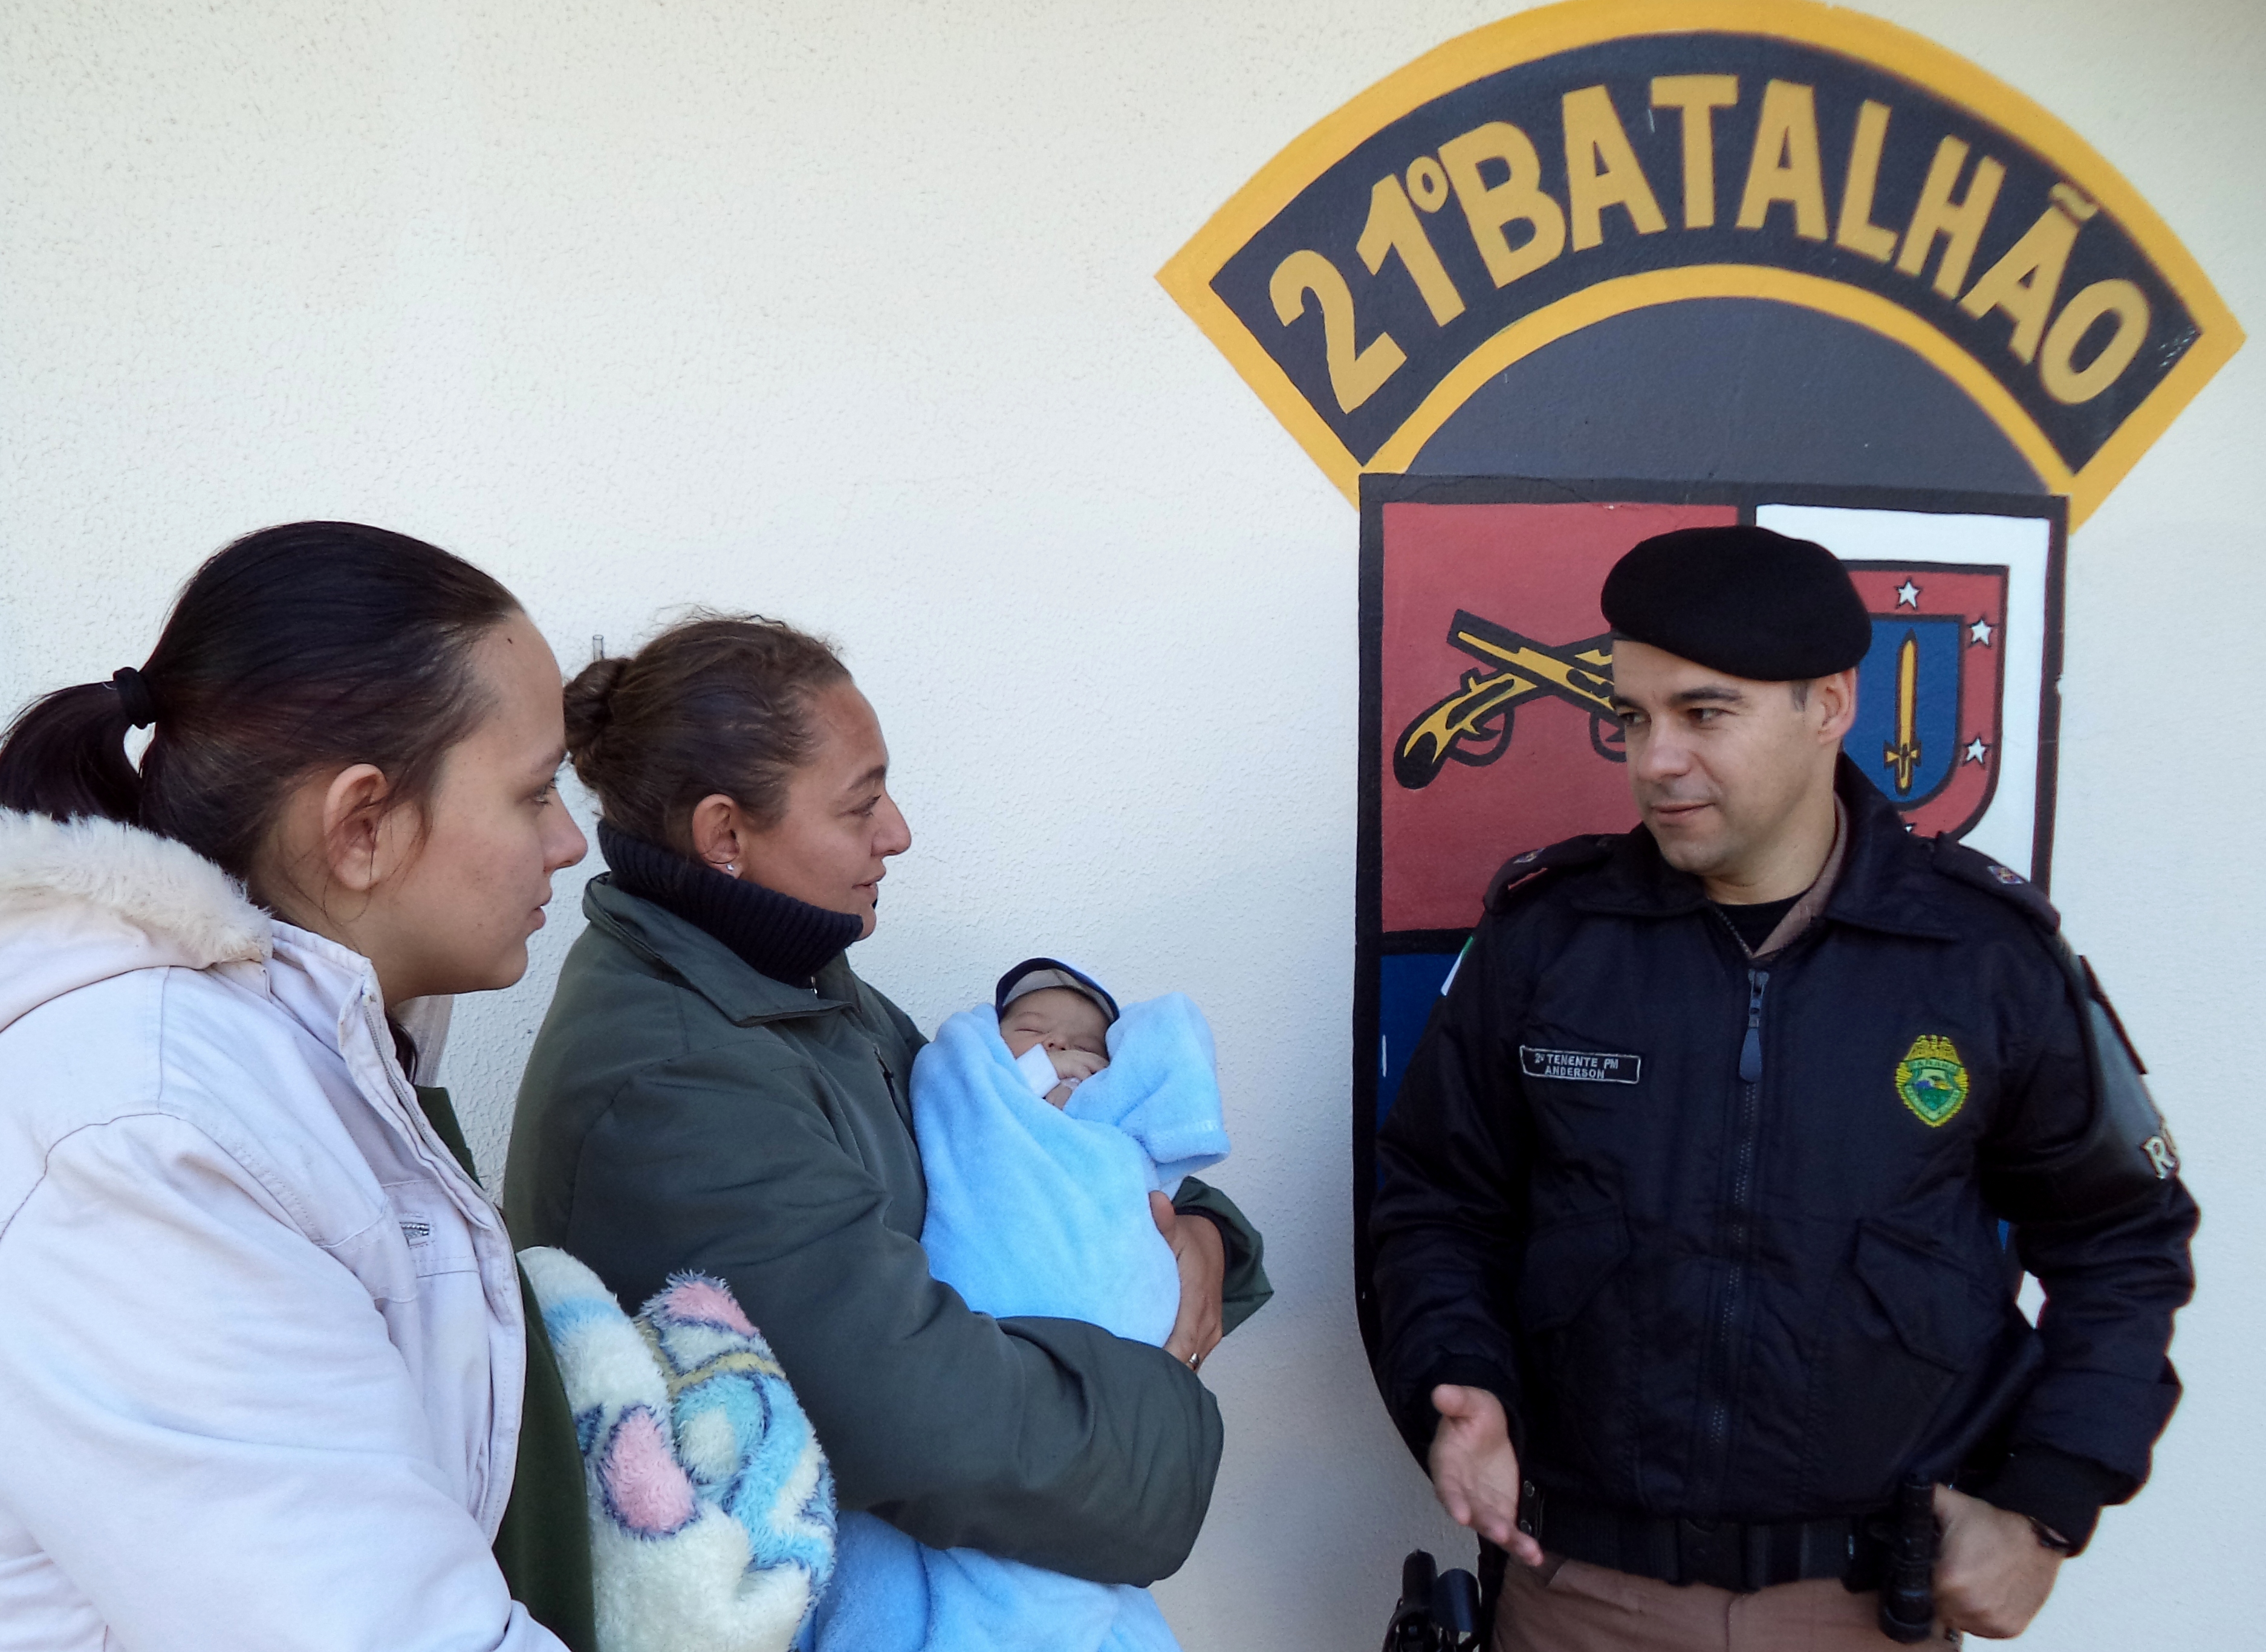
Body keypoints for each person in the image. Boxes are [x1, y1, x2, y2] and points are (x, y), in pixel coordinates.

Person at [1369, 525, 2197, 1650]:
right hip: (1577, 1595)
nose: (1654, 758)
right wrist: (1454, 1380)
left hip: (1858, 1606)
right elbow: (1435, 1201)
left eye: (1703, 714)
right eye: (1631, 716)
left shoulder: (1980, 956)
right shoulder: (1550, 942)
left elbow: (2122, 1237)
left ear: (1829, 705)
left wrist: (2044, 1504)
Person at [504, 616, 1270, 1604]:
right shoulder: (674, 1082)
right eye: (860, 803)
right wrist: (1168, 1408)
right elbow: (918, 1419)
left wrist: (1202, 1231)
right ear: (725, 834)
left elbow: (1011, 1146)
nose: (897, 830)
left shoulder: (798, 982)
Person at [0, 522, 594, 1651]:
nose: (568, 841)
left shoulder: (297, 1062)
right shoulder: (140, 1136)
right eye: (534, 793)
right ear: (362, 824)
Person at [821, 954, 1239, 1652]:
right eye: (1032, 1031)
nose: (1057, 1049)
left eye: (1085, 1045)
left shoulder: (1110, 1136)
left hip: (1104, 1397)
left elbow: (1148, 1182)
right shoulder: (969, 1096)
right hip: (989, 1386)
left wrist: (1210, 1230)